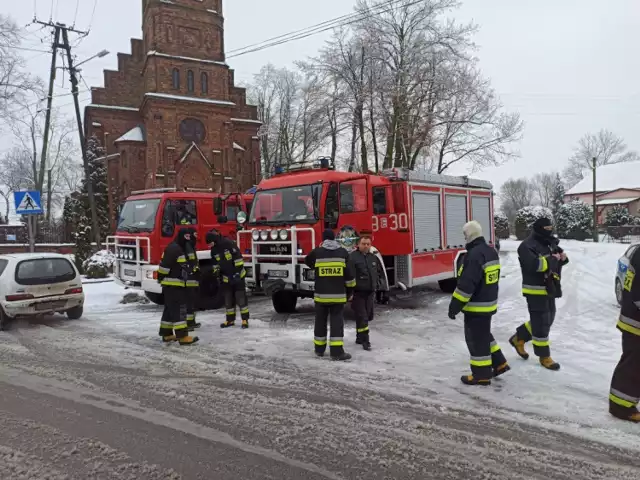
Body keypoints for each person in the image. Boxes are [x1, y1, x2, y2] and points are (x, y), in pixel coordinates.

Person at [448, 221, 509, 386]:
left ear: (469, 235)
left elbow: (466, 286)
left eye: (464, 235)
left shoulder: (473, 255)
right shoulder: (490, 252)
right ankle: (499, 363)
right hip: (489, 304)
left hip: (476, 307)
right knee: (484, 335)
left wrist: (454, 307)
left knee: (476, 339)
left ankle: (481, 375)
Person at [509, 217, 568, 370]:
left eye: (551, 228)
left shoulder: (548, 242)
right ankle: (544, 356)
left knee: (548, 318)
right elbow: (535, 265)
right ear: (539, 229)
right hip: (534, 289)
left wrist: (562, 258)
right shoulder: (526, 246)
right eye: (546, 229)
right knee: (541, 322)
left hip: (549, 287)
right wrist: (551, 259)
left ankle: (519, 338)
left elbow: (555, 259)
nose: (549, 232)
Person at [305, 229, 356, 361]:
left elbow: (307, 260)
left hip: (321, 295)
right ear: (334, 238)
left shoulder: (317, 252)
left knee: (320, 321)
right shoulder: (343, 252)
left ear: (324, 239)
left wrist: (316, 267)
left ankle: (319, 350)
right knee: (336, 322)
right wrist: (350, 291)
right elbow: (349, 275)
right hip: (338, 296)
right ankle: (337, 352)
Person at [609, 245, 640, 423]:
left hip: (633, 317)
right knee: (633, 363)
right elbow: (637, 292)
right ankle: (620, 406)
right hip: (635, 321)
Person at [157, 229, 199, 345]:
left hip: (173, 285)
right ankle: (182, 337)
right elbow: (164, 267)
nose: (187, 239)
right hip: (173, 285)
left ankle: (167, 334)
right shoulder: (174, 249)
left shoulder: (178, 247)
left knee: (170, 310)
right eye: (185, 236)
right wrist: (161, 277)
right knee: (179, 309)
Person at [348, 234, 386, 351]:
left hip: (370, 293)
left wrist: (378, 285)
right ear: (358, 244)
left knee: (365, 317)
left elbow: (378, 273)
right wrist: (350, 293)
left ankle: (359, 338)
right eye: (363, 244)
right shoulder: (352, 258)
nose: (366, 246)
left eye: (368, 244)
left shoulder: (373, 258)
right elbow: (349, 276)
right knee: (363, 317)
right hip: (358, 293)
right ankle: (366, 341)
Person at [206, 231, 250, 329]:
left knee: (240, 298)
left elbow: (238, 258)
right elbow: (215, 263)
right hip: (226, 278)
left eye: (210, 243)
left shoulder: (228, 244)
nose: (210, 246)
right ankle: (230, 320)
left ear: (214, 240)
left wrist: (237, 273)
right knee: (228, 300)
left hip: (237, 275)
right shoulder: (214, 250)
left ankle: (244, 320)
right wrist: (216, 272)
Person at [183, 228, 202, 331]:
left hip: (192, 278)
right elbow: (191, 262)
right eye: (195, 234)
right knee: (190, 301)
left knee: (192, 301)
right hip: (189, 278)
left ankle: (191, 322)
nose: (196, 236)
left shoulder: (190, 245)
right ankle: (189, 323)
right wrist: (195, 270)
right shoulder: (188, 246)